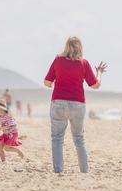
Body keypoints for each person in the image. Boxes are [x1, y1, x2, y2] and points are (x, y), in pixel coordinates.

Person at [44, 36, 107, 173]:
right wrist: (99, 72)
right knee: (79, 138)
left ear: (66, 46)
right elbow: (96, 85)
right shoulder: (83, 63)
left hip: (58, 102)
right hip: (78, 104)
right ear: (80, 47)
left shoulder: (58, 60)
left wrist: (57, 81)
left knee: (57, 138)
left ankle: (59, 171)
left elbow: (47, 83)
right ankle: (84, 171)